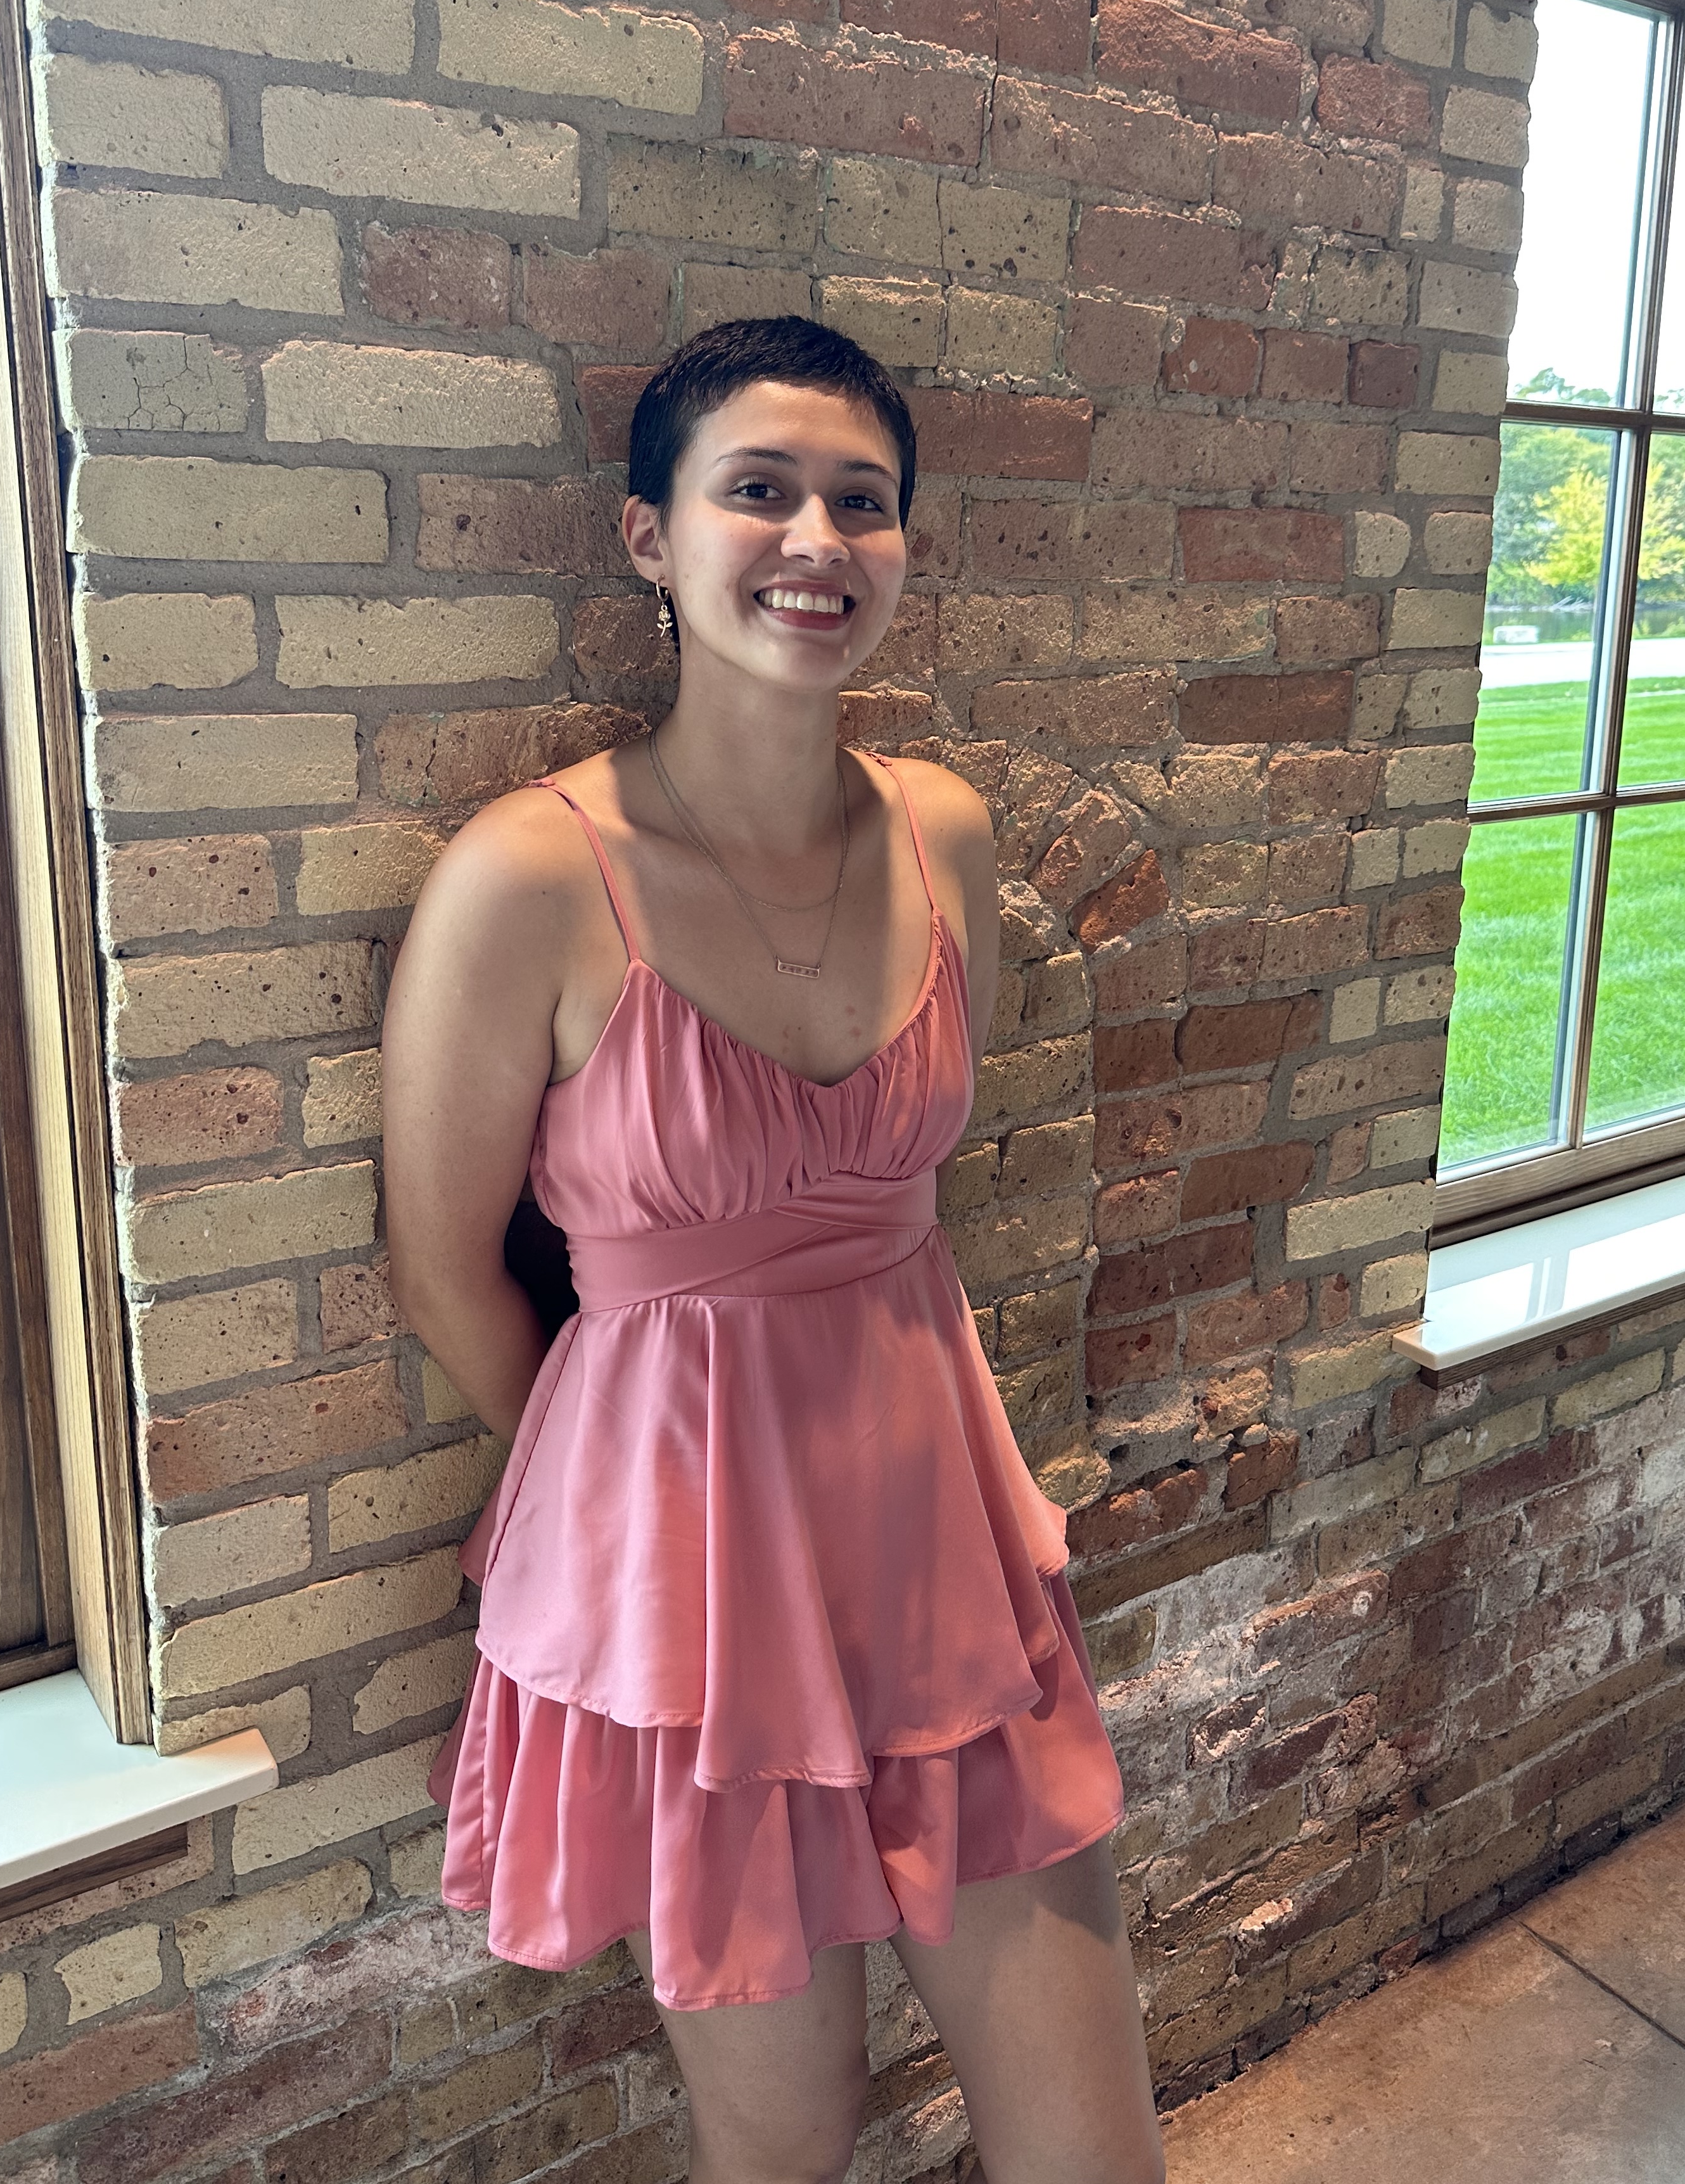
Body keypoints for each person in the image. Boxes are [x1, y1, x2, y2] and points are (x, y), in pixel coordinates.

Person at [382, 318, 1165, 2184]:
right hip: (692, 1615)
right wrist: (623, 1513)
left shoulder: (947, 838)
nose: (815, 540)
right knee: (781, 2158)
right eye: (757, 490)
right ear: (650, 536)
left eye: (861, 503)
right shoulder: (528, 875)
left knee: (1091, 2153)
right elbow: (441, 1267)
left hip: (944, 1576)